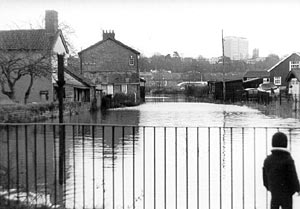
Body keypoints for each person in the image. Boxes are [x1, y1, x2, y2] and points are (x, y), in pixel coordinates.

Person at [263, 132, 300, 209]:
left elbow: (264, 176)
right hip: (287, 193)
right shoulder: (288, 159)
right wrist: (297, 188)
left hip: (274, 191)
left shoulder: (268, 159)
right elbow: (293, 176)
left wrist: (269, 187)